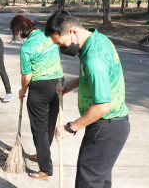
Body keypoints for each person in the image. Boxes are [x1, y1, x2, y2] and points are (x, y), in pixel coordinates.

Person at [44, 11, 130, 188]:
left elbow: (102, 106)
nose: (62, 50)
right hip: (113, 126)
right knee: (99, 182)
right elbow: (99, 77)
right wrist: (73, 84)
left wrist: (70, 127)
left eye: (62, 44)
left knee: (87, 183)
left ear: (74, 32)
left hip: (106, 126)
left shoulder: (94, 59)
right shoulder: (97, 40)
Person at [10, 15, 63, 180]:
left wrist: (22, 91)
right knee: (48, 125)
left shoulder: (26, 48)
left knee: (39, 129)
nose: (17, 36)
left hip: (39, 89)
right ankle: (42, 155)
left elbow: (27, 77)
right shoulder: (48, 35)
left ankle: (46, 169)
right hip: (58, 85)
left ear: (21, 30)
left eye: (16, 32)